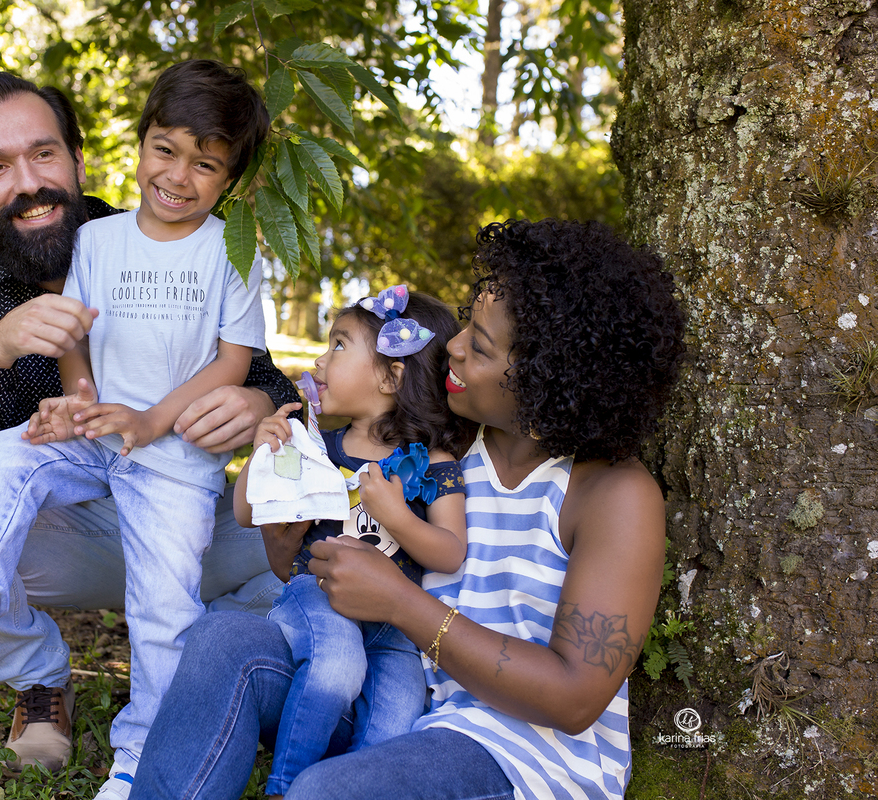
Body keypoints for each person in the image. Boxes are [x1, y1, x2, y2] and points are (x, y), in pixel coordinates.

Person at [127, 218, 687, 800]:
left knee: (327, 793)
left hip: (522, 760)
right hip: (391, 706)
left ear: (546, 379)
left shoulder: (611, 496)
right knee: (222, 643)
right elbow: (336, 569)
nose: (454, 345)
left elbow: (574, 698)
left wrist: (401, 602)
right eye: (467, 324)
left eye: (482, 345)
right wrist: (287, 539)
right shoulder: (432, 449)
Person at [0, 69, 297, 783]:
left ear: (79, 159)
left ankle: (217, 670)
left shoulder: (181, 240)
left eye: (44, 154)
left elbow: (263, 378)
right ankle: (14, 660)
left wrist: (262, 406)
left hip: (182, 509)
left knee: (303, 528)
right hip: (75, 523)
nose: (29, 182)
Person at [234, 287, 470, 797]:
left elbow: (450, 551)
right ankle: (285, 785)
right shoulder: (316, 446)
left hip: (398, 629)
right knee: (337, 667)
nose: (320, 358)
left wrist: (397, 517)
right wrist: (265, 452)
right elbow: (246, 512)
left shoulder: (435, 463)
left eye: (339, 345)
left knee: (398, 717)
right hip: (320, 597)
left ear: (392, 376)